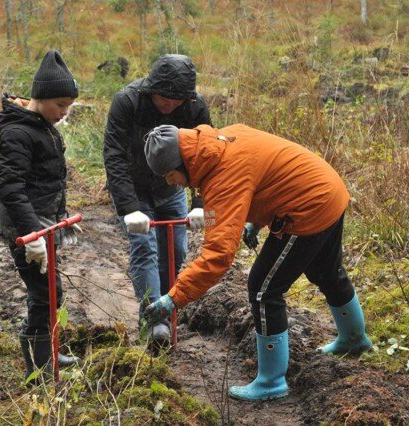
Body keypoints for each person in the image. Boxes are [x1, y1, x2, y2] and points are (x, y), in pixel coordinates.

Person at [141, 124, 372, 401]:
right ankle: (354, 340)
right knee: (327, 272)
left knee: (263, 289)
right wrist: (256, 221)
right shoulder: (225, 140)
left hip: (308, 207)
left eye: (169, 175)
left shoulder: (221, 179)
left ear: (184, 163)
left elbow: (218, 256)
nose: (170, 182)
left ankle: (271, 382)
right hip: (327, 188)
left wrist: (173, 298)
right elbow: (268, 178)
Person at [103, 54, 212, 344]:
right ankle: (154, 320)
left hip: (171, 188)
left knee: (175, 249)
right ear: (152, 89)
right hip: (135, 189)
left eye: (177, 100)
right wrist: (129, 208)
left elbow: (208, 155)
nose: (170, 105)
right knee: (144, 248)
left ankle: (166, 306)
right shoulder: (128, 102)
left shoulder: (194, 106)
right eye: (164, 98)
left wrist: (200, 203)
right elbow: (113, 155)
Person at [0, 50, 82, 383]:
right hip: (26, 229)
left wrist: (56, 220)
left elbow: (45, 181)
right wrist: (31, 236)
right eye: (60, 104)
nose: (64, 112)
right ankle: (39, 369)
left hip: (43, 224)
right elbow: (11, 190)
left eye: (69, 105)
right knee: (45, 295)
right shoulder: (18, 133)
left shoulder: (42, 126)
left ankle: (49, 352)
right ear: (40, 97)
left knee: (51, 290)